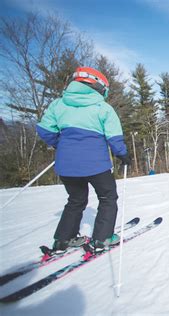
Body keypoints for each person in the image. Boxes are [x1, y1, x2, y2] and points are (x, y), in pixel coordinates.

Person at [36, 67, 131, 254]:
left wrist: (61, 144)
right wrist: (122, 155)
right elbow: (114, 137)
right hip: (96, 164)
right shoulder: (102, 108)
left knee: (75, 200)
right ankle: (103, 237)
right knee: (107, 197)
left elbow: (45, 130)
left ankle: (64, 239)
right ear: (98, 86)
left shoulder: (58, 104)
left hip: (67, 164)